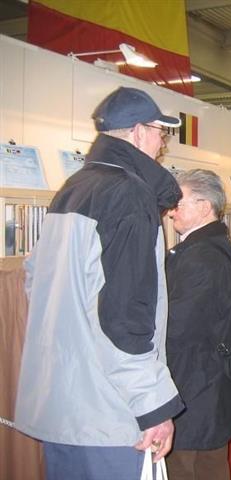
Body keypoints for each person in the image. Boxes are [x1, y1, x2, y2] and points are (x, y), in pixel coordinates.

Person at [14, 86, 184, 479]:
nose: (162, 144)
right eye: (160, 132)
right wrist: (152, 406)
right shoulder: (130, 195)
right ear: (138, 132)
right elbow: (125, 316)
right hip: (108, 412)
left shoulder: (72, 189)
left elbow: (35, 279)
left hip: (62, 404)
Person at [165, 169, 231, 480]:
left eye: (178, 203)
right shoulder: (214, 246)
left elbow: (178, 329)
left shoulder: (200, 256)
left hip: (193, 382)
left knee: (184, 465)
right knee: (209, 461)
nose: (171, 211)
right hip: (208, 380)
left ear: (204, 207)